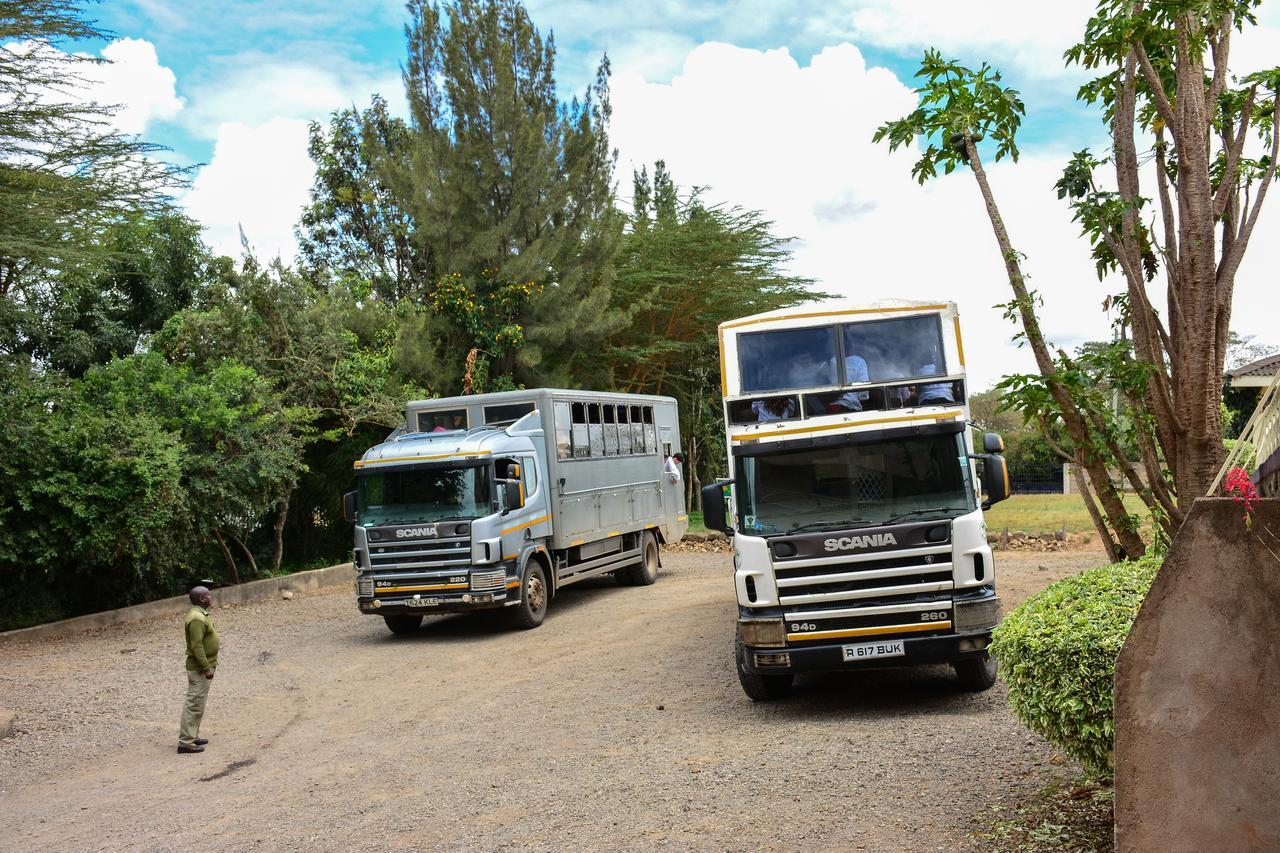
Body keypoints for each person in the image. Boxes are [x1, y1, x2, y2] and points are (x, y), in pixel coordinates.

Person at [178, 586, 219, 754]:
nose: (211, 597)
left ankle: (192, 736)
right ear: (202, 599)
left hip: (203, 667)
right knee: (194, 703)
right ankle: (185, 742)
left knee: (198, 703)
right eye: (208, 595)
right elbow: (196, 646)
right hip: (199, 669)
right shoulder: (196, 618)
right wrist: (206, 667)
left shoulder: (200, 614)